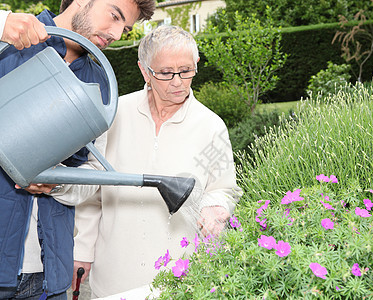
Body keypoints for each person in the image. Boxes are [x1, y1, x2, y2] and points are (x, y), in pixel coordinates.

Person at [73, 25, 243, 298]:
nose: (178, 81)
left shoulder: (211, 126)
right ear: (144, 71)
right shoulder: (115, 115)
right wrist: (82, 251)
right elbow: (93, 193)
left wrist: (215, 207)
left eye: (186, 70)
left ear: (196, 64)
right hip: (114, 274)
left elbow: (223, 189)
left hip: (179, 276)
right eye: (165, 73)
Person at [0, 0, 155, 299]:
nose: (117, 34)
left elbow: (94, 174)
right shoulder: (9, 38)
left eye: (125, 28)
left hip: (48, 277)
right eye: (114, 16)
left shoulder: (102, 87)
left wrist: (56, 184)